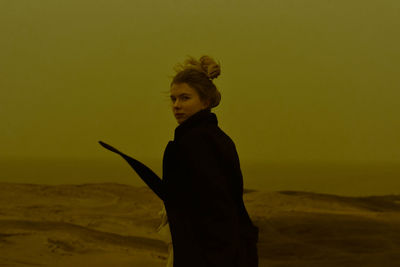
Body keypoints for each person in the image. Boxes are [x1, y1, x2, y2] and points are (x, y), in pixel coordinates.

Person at [99, 55, 259, 267]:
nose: (176, 106)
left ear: (206, 101)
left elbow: (215, 207)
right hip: (228, 249)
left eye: (185, 98)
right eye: (173, 99)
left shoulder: (194, 143)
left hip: (208, 254)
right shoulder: (218, 139)